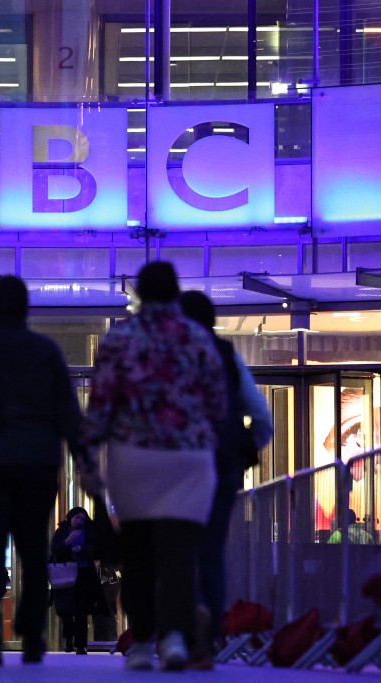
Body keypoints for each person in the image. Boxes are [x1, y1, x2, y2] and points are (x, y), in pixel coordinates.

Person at [79, 261, 226, 672]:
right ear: (176, 292)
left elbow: (102, 402)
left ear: (139, 294)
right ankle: (176, 638)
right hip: (188, 458)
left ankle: (142, 641)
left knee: (138, 553)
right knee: (180, 553)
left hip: (133, 456)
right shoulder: (197, 338)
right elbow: (217, 401)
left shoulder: (118, 338)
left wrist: (89, 454)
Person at [0, 274, 85, 665]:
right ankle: (32, 633)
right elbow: (67, 410)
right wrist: (83, 456)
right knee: (33, 549)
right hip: (37, 460)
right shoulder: (44, 351)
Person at [179, 289, 274, 666]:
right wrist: (245, 450)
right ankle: (211, 638)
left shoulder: (170, 357)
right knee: (212, 552)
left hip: (178, 467)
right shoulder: (227, 356)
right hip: (220, 466)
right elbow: (262, 418)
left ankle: (181, 630)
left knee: (177, 552)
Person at [50, 506, 110, 656]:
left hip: (84, 576)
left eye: (83, 519)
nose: (80, 521)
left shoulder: (89, 532)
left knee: (81, 611)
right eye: (77, 517)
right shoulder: (61, 532)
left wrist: (82, 549)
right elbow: (55, 551)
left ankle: (81, 645)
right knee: (66, 612)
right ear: (70, 517)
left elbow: (97, 550)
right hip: (65, 575)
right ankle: (68, 639)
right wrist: (67, 542)